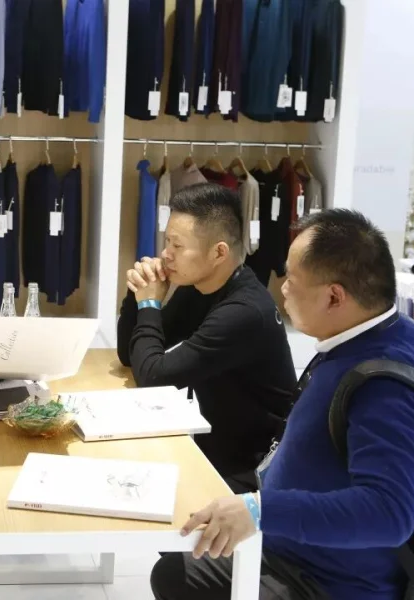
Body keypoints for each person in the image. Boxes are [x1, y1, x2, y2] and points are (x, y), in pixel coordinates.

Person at [151, 209, 414, 600]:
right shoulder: (385, 333)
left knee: (178, 573)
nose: (283, 289)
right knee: (177, 553)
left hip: (323, 582)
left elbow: (389, 513)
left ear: (334, 296)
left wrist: (261, 511)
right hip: (294, 546)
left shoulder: (386, 387)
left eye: (292, 279)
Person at [117, 183, 297, 492]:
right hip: (217, 448)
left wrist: (149, 304)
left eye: (177, 245)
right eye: (166, 241)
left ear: (218, 252)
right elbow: (131, 355)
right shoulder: (201, 287)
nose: (165, 254)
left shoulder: (243, 312)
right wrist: (138, 294)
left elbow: (153, 377)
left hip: (256, 470)